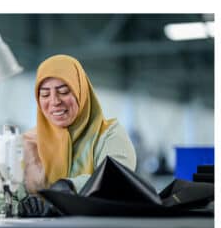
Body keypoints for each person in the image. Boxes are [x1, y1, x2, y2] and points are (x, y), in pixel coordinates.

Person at [23, 54, 137, 194]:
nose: (54, 101)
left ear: (81, 92)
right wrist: (22, 203)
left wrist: (69, 187)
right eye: (45, 94)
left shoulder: (109, 135)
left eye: (64, 91)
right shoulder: (31, 143)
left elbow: (115, 179)